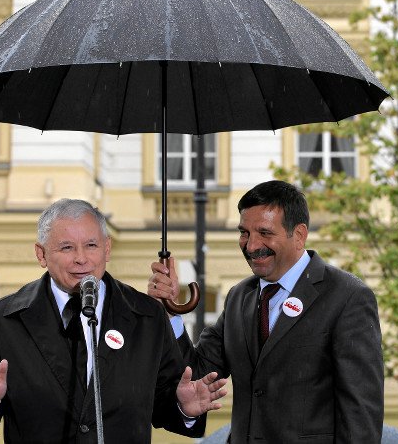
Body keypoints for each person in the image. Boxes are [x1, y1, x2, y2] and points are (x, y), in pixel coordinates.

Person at [0, 198, 227, 443]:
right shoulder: (5, 318)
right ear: (41, 254)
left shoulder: (147, 315)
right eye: (67, 247)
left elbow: (166, 401)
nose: (81, 259)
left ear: (107, 249)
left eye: (91, 245)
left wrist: (183, 407)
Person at [149, 180, 384, 443]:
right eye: (244, 233)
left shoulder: (348, 296)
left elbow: (360, 416)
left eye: (264, 233)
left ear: (299, 234)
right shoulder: (239, 297)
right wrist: (169, 313)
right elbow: (197, 373)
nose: (250, 246)